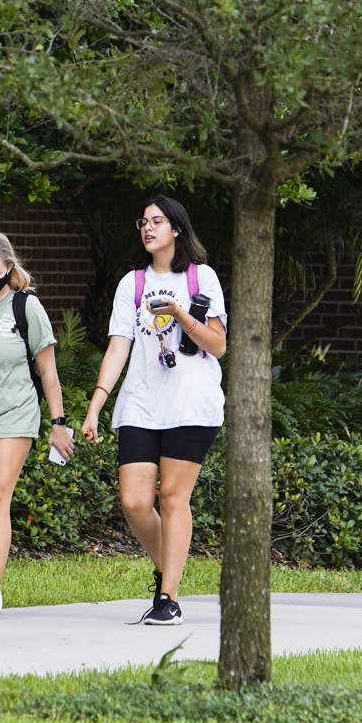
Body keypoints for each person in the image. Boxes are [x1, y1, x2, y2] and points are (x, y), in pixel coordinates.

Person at [82, 194, 228, 629]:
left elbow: (218, 345)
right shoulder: (133, 284)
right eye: (143, 222)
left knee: (173, 497)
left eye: (157, 221)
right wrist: (94, 407)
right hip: (141, 403)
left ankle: (167, 595)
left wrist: (182, 314)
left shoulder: (201, 278)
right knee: (133, 501)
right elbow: (118, 346)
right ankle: (170, 567)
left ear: (176, 229)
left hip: (191, 402)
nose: (147, 228)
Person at [0, 230, 73, 623]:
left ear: (9, 268)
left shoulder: (27, 308)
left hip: (14, 413)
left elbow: (48, 371)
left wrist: (59, 423)